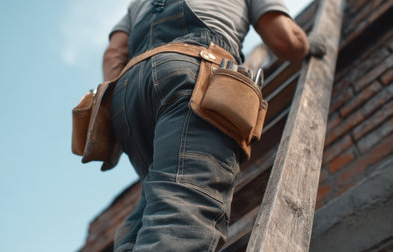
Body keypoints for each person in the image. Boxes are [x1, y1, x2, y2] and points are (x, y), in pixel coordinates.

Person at [102, 0, 325, 251]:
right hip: (194, 74)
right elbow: (283, 39)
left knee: (154, 203)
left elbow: (113, 54)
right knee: (183, 213)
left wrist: (125, 92)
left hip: (126, 98)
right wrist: (305, 45)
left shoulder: (137, 3)